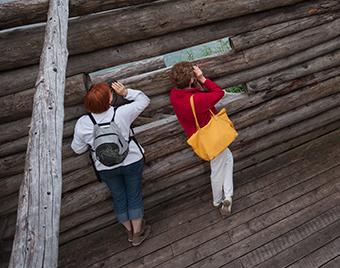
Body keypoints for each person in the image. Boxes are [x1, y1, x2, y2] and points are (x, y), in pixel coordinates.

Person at [71, 81, 151, 245]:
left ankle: (128, 231)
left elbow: (77, 149)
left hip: (105, 168)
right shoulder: (121, 113)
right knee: (134, 195)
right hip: (132, 161)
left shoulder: (83, 123)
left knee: (119, 197)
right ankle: (138, 233)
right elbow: (144, 100)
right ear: (109, 101)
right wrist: (125, 92)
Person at [169, 61, 234, 218]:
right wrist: (203, 78)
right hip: (213, 137)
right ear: (191, 80)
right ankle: (220, 200)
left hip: (199, 136)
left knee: (227, 159)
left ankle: (227, 196)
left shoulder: (174, 95)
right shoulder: (197, 100)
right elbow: (219, 92)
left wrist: (193, 81)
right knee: (218, 168)